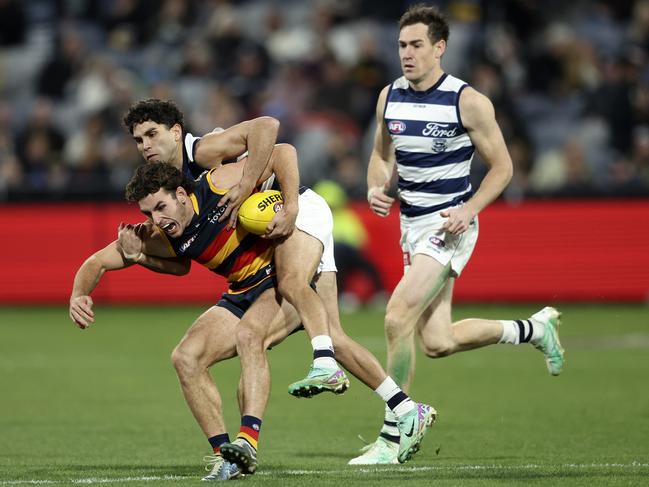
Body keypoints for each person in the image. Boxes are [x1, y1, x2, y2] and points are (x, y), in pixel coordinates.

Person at [70, 158, 435, 480]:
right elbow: (96, 262)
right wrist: (80, 294)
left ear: (181, 193)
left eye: (161, 207)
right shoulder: (158, 233)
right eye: (148, 213)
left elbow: (281, 151)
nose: (156, 220)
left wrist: (290, 205)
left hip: (282, 277)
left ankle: (248, 441)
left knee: (251, 336)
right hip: (243, 290)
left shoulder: (219, 184)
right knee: (187, 357)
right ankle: (225, 456)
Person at [352, 4, 565, 465]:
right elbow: (381, 156)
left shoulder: (467, 101)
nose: (406, 54)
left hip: (449, 225)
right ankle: (533, 329)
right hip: (412, 225)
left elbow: (504, 167)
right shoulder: (389, 96)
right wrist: (376, 186)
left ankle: (397, 431)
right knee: (437, 342)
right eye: (401, 45)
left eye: (416, 45)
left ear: (439, 48)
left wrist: (469, 209)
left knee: (395, 317)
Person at [122, 98, 347, 395]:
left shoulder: (202, 152)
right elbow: (181, 262)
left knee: (292, 286)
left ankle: (325, 366)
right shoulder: (168, 180)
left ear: (175, 132)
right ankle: (404, 410)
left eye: (152, 135)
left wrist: (255, 189)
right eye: (139, 140)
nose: (145, 146)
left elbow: (271, 131)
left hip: (293, 205)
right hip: (275, 218)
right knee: (335, 337)